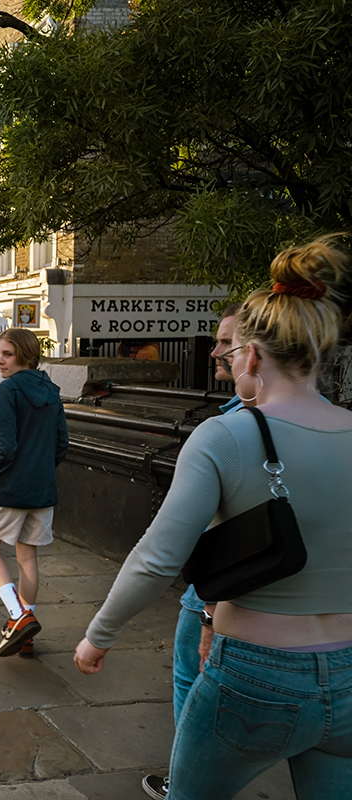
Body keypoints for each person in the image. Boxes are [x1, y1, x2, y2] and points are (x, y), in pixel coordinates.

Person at [74, 236, 352, 799]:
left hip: (253, 675)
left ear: (252, 355)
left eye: (232, 355)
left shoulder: (225, 436)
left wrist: (97, 636)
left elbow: (157, 558)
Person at [141, 302, 243, 799]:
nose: (216, 350)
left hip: (216, 593)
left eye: (227, 342)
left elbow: (166, 546)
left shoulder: (226, 431)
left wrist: (207, 614)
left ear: (257, 352)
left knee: (192, 683)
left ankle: (186, 783)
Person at [0, 328, 68, 658]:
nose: (0, 361)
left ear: (25, 355)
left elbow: (5, 445)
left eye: (7, 354)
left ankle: (19, 616)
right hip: (42, 488)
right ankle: (25, 635)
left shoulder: (9, 389)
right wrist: (40, 470)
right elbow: (61, 445)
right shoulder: (51, 390)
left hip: (10, 487)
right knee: (27, 556)